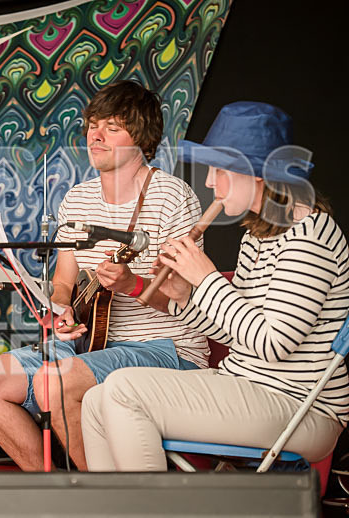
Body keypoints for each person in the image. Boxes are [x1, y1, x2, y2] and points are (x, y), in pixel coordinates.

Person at [81, 101, 349, 471]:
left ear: (257, 173)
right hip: (247, 385)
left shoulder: (309, 235)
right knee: (95, 400)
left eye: (219, 170)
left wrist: (206, 279)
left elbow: (274, 344)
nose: (209, 182)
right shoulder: (258, 236)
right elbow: (236, 333)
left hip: (301, 406)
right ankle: (117, 502)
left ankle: (151, 503)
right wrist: (184, 297)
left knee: (124, 390)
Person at [0, 80, 208, 470]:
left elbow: (191, 300)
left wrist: (133, 284)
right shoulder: (78, 199)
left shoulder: (172, 197)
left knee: (54, 381)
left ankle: (97, 497)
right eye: (93, 125)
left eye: (112, 127)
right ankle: (54, 493)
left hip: (168, 350)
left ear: (142, 138)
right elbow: (64, 281)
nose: (96, 135)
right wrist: (60, 308)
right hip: (93, 346)